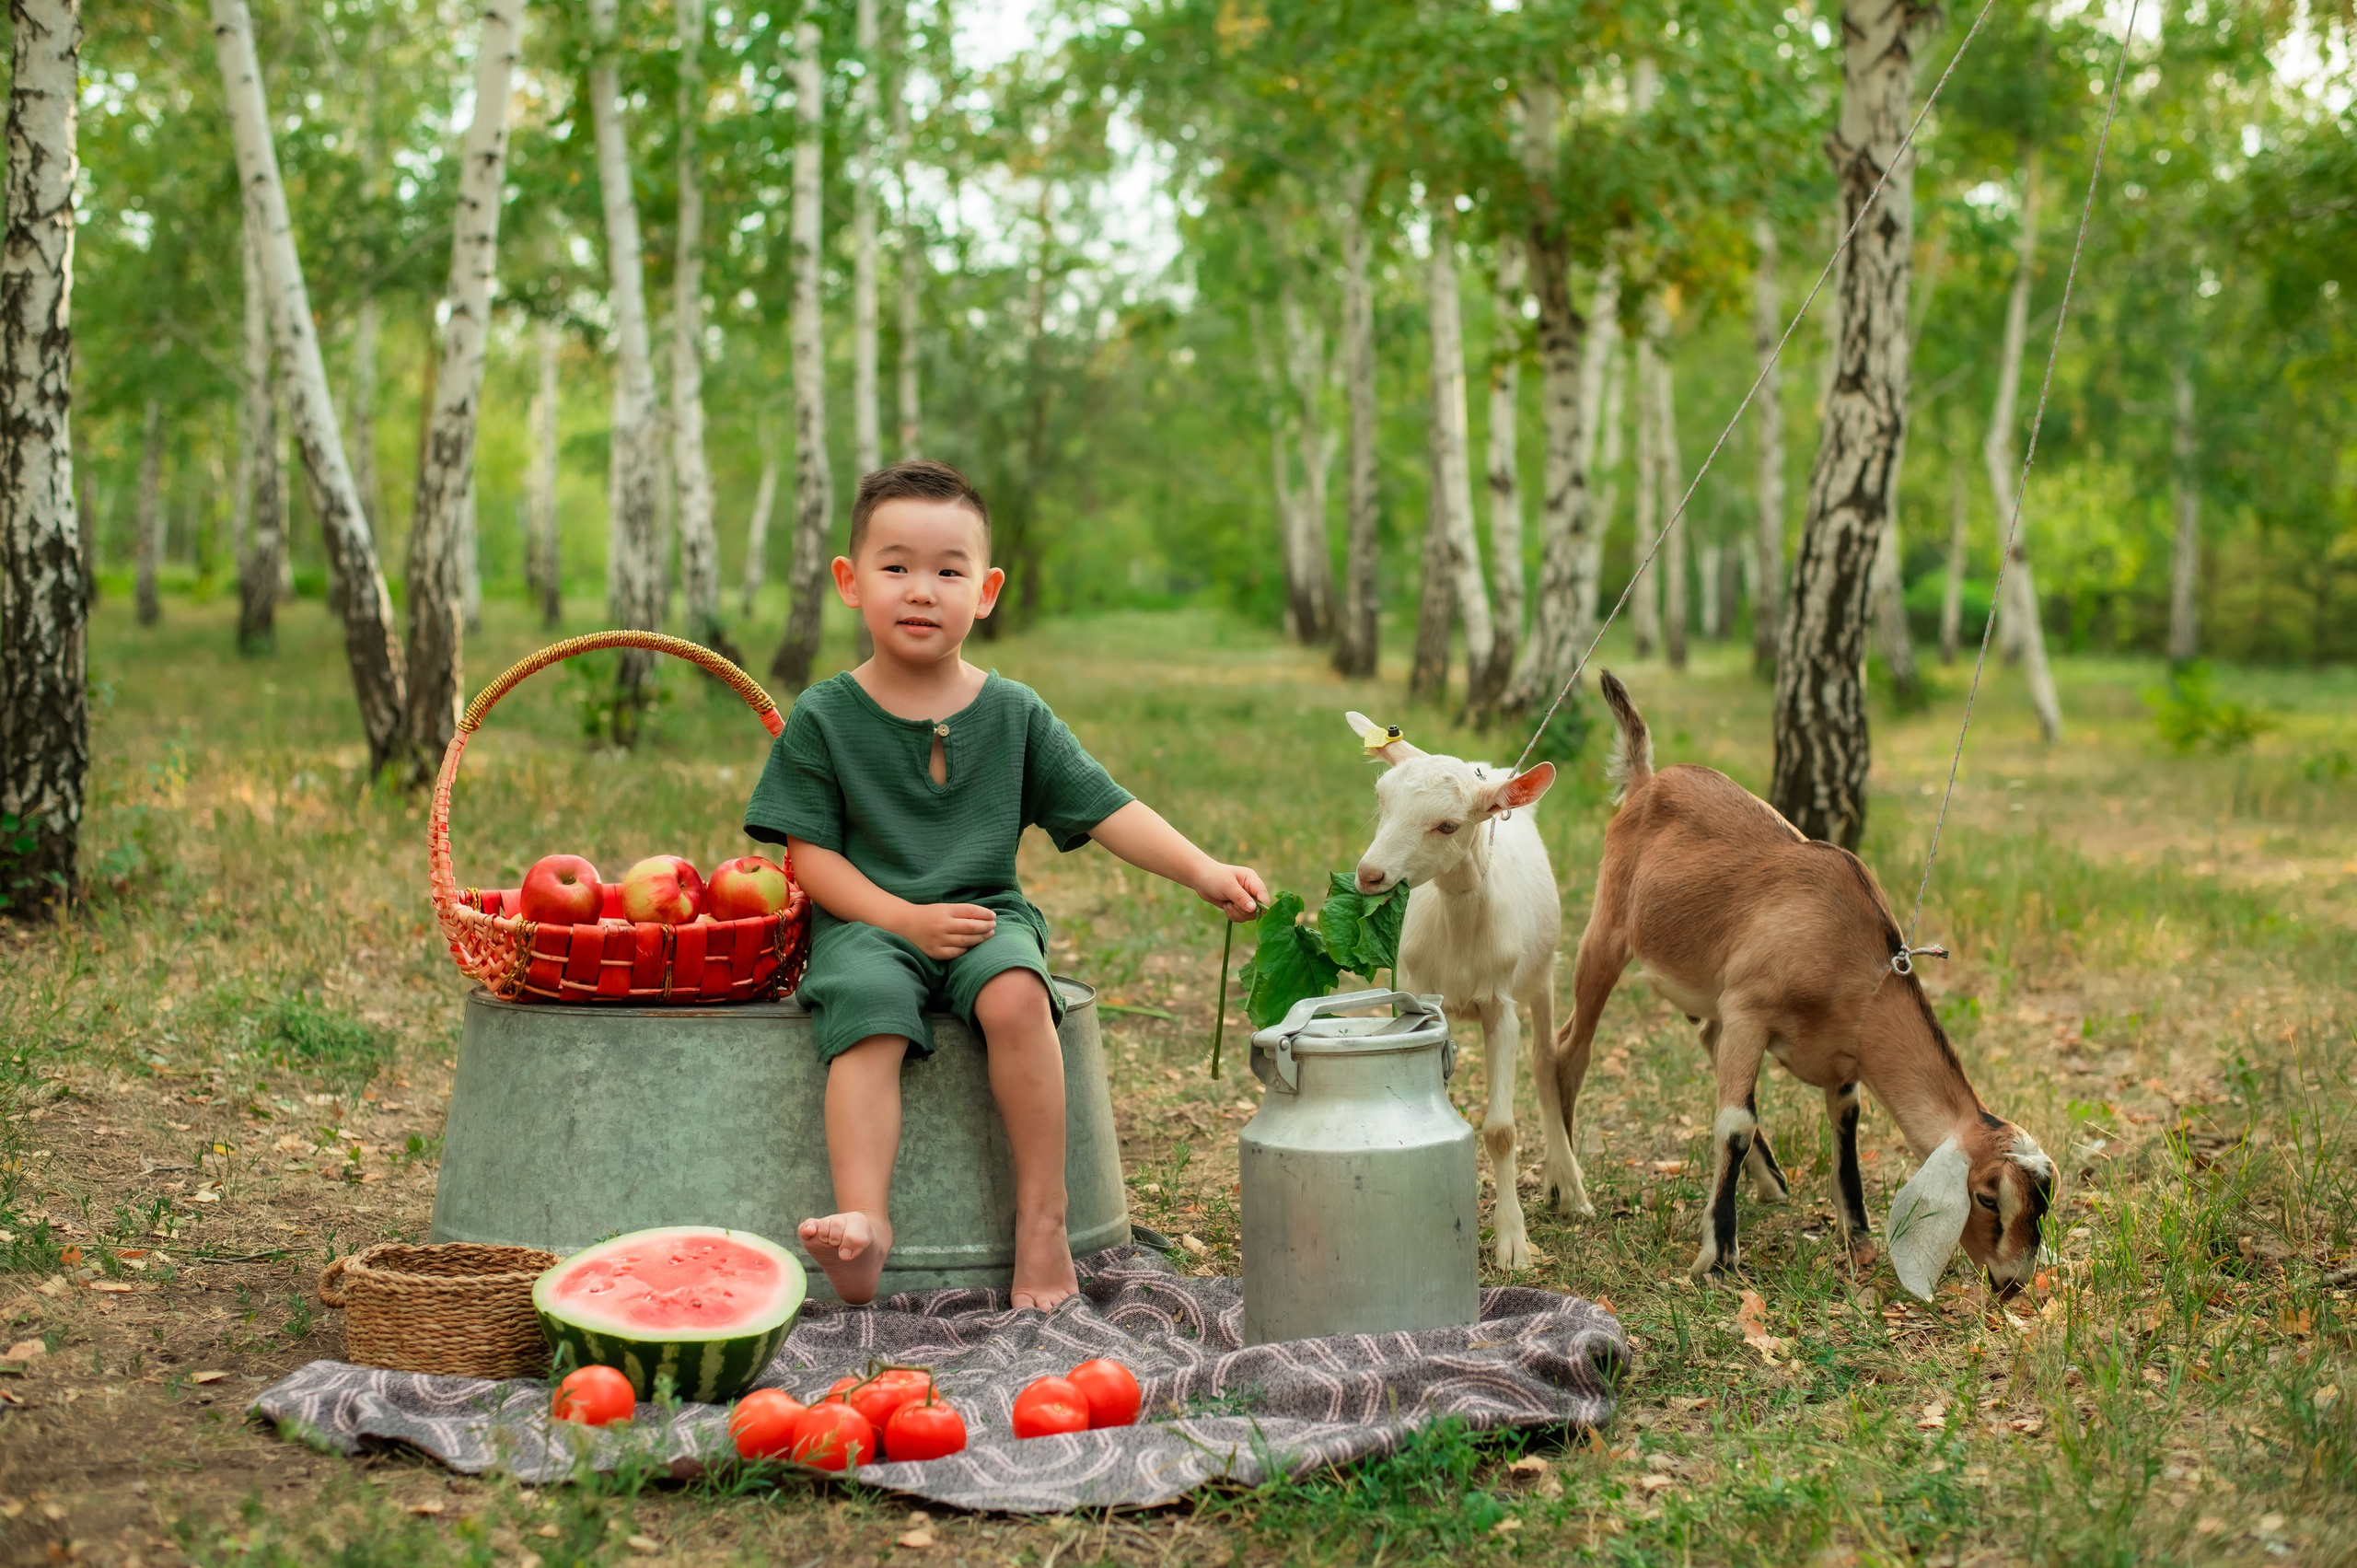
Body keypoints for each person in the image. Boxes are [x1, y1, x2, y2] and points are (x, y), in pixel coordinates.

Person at [742, 459, 1266, 1309]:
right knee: (868, 1009)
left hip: (987, 918)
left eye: (948, 570)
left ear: (985, 592)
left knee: (1020, 995)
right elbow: (811, 860)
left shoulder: (1015, 713)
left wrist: (1204, 868)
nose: (922, 589)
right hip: (868, 921)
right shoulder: (825, 716)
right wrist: (902, 920)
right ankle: (865, 1223)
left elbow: (1106, 807)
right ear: (850, 581)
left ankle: (1043, 1222)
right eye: (896, 566)